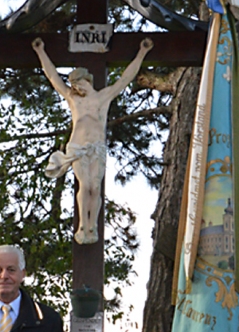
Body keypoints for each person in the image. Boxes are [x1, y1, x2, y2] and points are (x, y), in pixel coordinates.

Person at [31, 36, 154, 244]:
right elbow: (53, 77)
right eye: (73, 84)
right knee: (85, 186)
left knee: (95, 187)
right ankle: (81, 226)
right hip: (78, 147)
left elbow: (125, 78)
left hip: (97, 147)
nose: (76, 87)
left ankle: (92, 226)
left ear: (86, 80)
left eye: (78, 82)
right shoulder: (73, 99)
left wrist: (142, 52)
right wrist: (40, 51)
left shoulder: (103, 97)